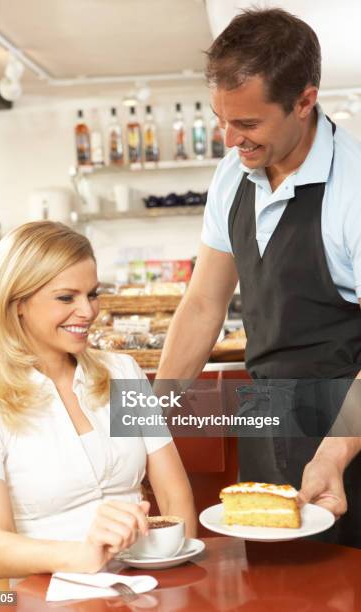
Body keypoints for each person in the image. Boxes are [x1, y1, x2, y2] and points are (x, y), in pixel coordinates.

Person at [156, 7, 361, 547]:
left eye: (247, 124)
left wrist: (336, 449)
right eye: (222, 119)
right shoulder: (233, 174)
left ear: (305, 101)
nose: (229, 139)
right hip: (264, 411)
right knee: (269, 589)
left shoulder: (355, 188)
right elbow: (203, 303)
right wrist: (151, 416)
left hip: (346, 423)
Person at [0, 221, 196, 580]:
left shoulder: (123, 372)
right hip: (47, 594)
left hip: (144, 584)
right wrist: (84, 555)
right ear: (17, 303)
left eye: (92, 294)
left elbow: (175, 496)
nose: (88, 311)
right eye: (66, 297)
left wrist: (175, 575)